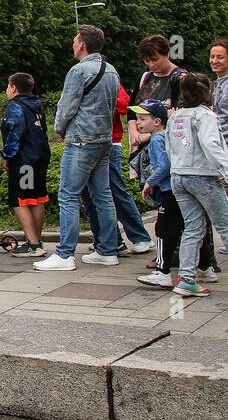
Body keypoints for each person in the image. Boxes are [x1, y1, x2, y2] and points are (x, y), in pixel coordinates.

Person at [37, 25, 120, 272]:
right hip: (104, 140)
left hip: (81, 140)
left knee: (69, 195)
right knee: (103, 195)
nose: (73, 44)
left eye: (75, 40)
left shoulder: (79, 71)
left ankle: (64, 254)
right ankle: (108, 249)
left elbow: (67, 106)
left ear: (82, 44)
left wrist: (59, 128)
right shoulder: (112, 71)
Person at [131, 100, 213, 289]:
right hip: (180, 189)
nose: (138, 123)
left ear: (158, 121)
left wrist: (151, 182)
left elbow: (164, 165)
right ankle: (204, 268)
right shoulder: (166, 136)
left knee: (163, 230)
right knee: (191, 228)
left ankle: (162, 271)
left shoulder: (157, 140)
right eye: (137, 119)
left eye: (143, 119)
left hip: (170, 191)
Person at [166, 73, 228, 298]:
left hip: (179, 175)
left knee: (193, 228)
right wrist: (226, 170)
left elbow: (169, 148)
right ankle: (187, 279)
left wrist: (177, 167)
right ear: (206, 92)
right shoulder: (206, 116)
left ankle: (186, 279)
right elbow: (211, 144)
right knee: (225, 224)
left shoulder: (176, 116)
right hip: (203, 176)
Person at [80, 81, 153, 260]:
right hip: (88, 141)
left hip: (111, 142)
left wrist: (102, 100)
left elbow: (126, 106)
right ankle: (108, 239)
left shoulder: (110, 82)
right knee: (93, 193)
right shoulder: (80, 80)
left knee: (115, 189)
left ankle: (139, 237)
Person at [0, 73, 50, 256]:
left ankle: (33, 244)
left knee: (20, 200)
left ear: (13, 88)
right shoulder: (37, 105)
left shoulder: (15, 106)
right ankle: (36, 240)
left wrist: (7, 155)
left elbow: (15, 132)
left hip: (24, 161)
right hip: (40, 158)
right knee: (36, 199)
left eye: (8, 86)